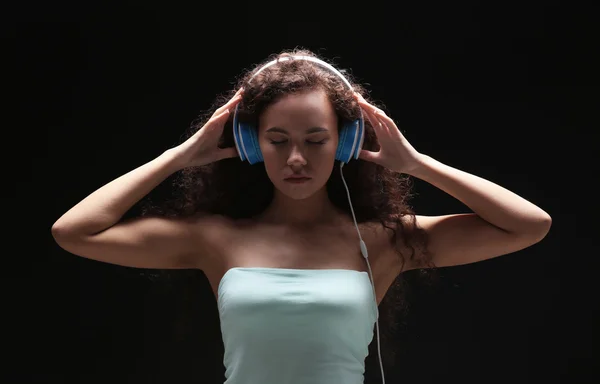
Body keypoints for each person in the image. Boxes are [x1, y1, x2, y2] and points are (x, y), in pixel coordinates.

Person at [51, 49, 552, 384]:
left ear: (347, 143)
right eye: (277, 141)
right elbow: (74, 231)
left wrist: (417, 164)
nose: (296, 159)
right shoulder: (214, 238)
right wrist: (182, 154)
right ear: (249, 144)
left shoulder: (382, 241)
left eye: (315, 140)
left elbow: (529, 224)